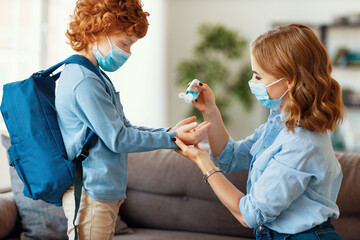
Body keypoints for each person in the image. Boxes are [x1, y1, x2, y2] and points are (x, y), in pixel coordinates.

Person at [55, 0, 210, 239]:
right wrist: (171, 138)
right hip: (91, 194)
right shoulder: (84, 81)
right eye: (125, 43)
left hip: (102, 191)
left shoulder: (95, 76)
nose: (127, 52)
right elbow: (118, 139)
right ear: (97, 30)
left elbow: (124, 128)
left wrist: (170, 131)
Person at [174, 24, 344, 240]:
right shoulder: (279, 123)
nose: (252, 83)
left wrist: (202, 161)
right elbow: (230, 158)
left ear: (289, 82)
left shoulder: (302, 142)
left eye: (258, 77)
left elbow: (250, 215)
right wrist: (211, 111)